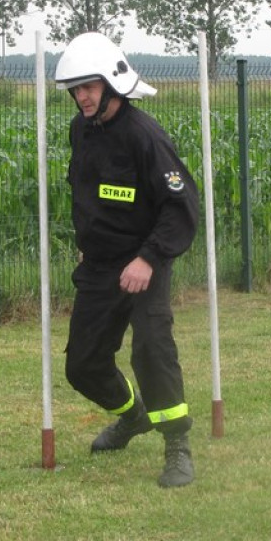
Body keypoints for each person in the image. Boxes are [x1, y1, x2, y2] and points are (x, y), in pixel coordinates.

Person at [54, 31, 199, 488]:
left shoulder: (145, 135)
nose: (81, 97)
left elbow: (181, 208)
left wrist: (148, 259)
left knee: (151, 349)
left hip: (143, 264)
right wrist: (89, 237)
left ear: (113, 83)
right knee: (83, 365)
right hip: (99, 266)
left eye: (89, 87)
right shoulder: (80, 130)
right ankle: (133, 416)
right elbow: (88, 191)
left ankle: (177, 446)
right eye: (76, 89)